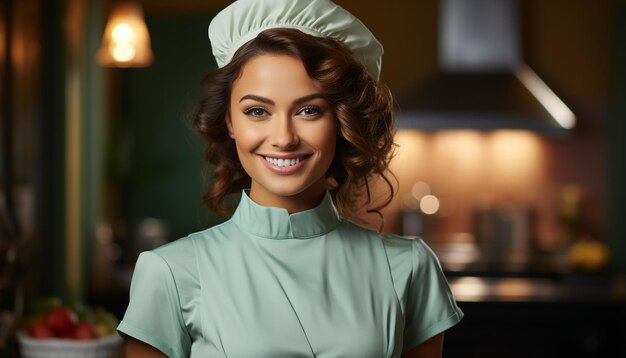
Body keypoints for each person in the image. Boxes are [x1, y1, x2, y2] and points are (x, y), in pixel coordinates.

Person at [117, 0, 464, 357]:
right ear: (230, 122)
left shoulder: (409, 268)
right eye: (257, 111)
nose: (283, 137)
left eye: (309, 110)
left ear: (341, 122)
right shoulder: (170, 273)